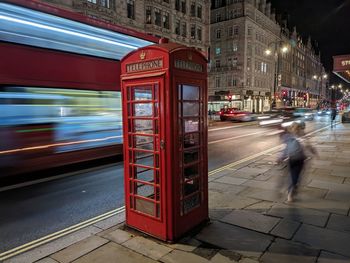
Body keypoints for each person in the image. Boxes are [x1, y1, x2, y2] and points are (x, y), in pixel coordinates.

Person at [278, 122, 317, 202]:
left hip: (295, 159)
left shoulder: (289, 137)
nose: (296, 130)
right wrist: (314, 152)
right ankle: (291, 191)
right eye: (295, 128)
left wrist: (281, 157)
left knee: (294, 176)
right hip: (296, 159)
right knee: (295, 177)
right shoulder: (299, 137)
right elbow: (308, 146)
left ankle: (291, 190)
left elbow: (284, 149)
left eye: (296, 128)